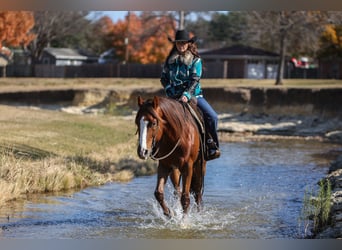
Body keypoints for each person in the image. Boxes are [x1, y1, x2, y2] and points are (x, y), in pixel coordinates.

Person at [160, 29, 220, 160]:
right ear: (175, 44)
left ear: (188, 44)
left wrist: (187, 94)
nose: (181, 45)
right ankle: (157, 147)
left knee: (213, 117)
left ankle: (212, 145)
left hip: (194, 96)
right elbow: (163, 79)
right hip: (173, 97)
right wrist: (170, 91)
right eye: (178, 43)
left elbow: (195, 79)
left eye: (183, 43)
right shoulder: (169, 61)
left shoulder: (195, 60)